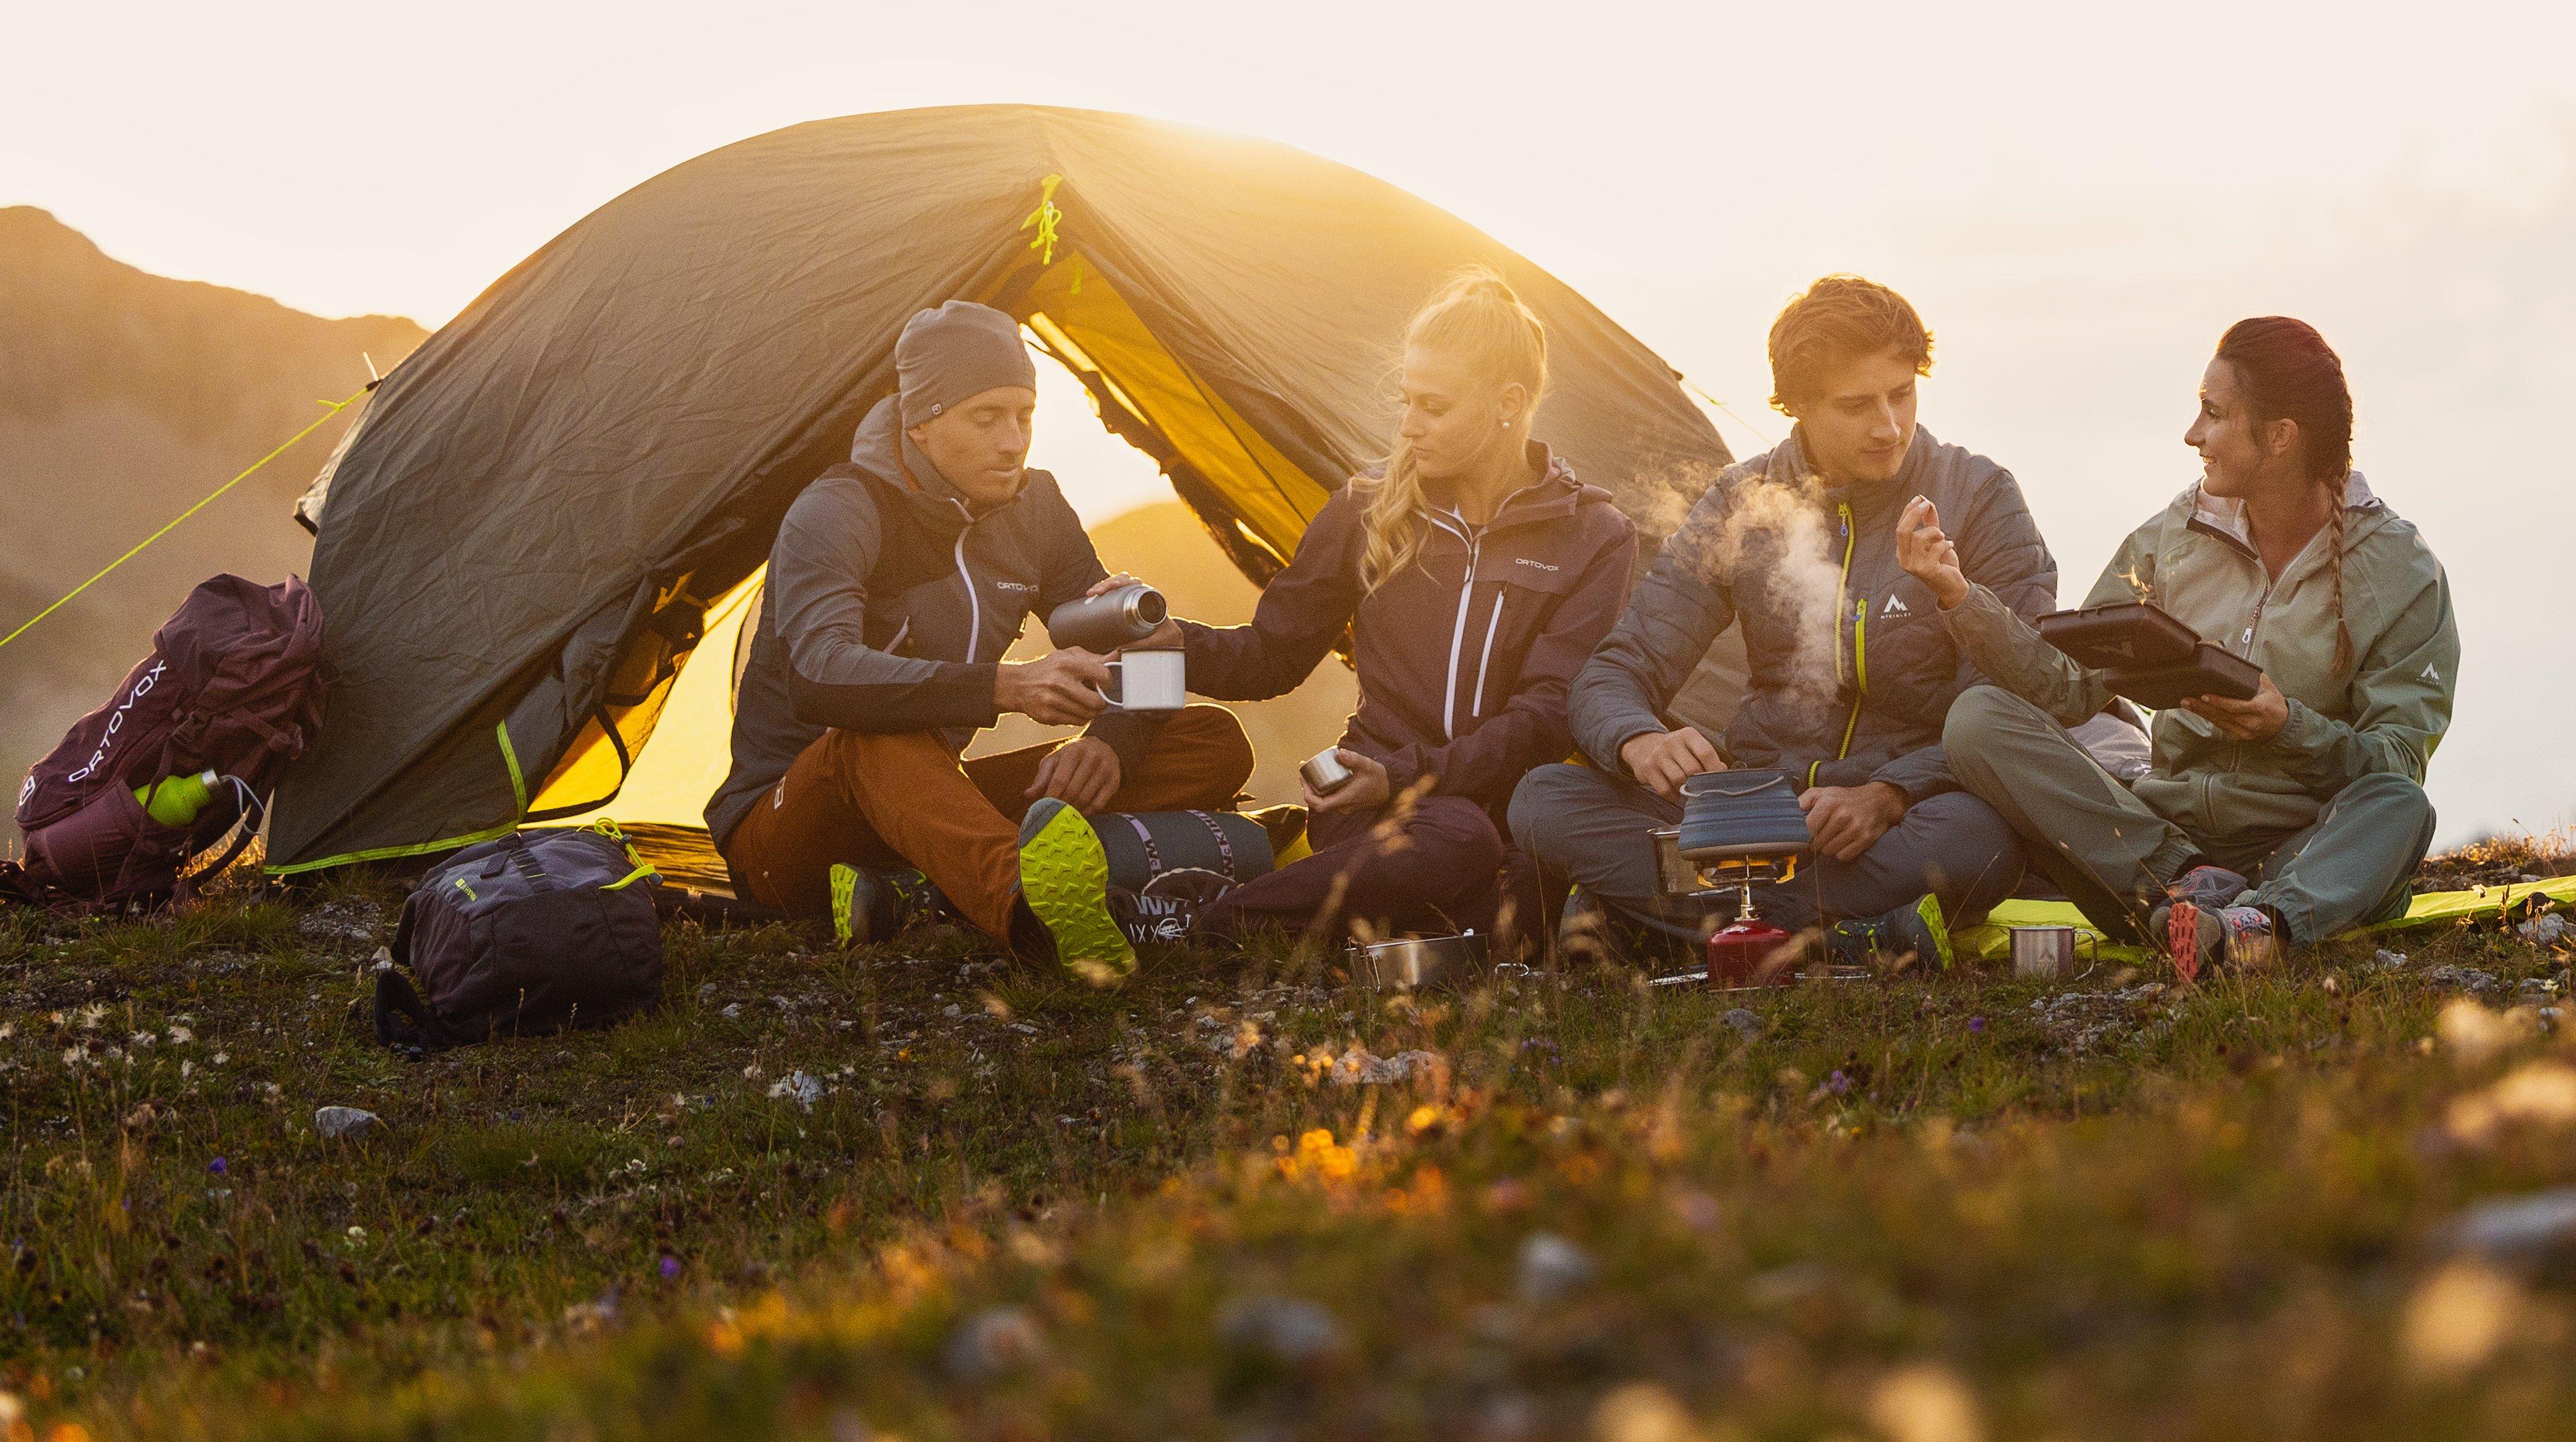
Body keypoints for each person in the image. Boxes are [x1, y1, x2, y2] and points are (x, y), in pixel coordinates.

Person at [711, 299, 1254, 980]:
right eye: (986, 416)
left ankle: (914, 892)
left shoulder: (1035, 509)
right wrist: (1008, 685)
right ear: (922, 421)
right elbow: (820, 677)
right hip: (789, 827)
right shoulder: (840, 510)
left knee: (1208, 738)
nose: (1012, 440)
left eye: (1024, 414)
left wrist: (1111, 742)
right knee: (878, 731)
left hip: (930, 803)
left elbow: (1147, 655)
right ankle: (1034, 908)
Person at [1510, 274, 2045, 961]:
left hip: (1900, 818)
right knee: (1542, 799)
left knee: (1979, 837)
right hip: (1754, 810)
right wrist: (1635, 738)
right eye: (1857, 404)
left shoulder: (1978, 496)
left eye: (1902, 392)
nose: (1889, 425)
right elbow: (1617, 669)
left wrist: (1888, 791)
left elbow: (2010, 699)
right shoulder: (1742, 500)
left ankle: (1672, 921)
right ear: (1794, 405)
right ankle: (1848, 937)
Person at [1915, 317, 2454, 981]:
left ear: (2279, 436)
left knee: (2400, 806)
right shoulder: (2173, 534)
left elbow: (2394, 762)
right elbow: (2066, 687)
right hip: (2157, 851)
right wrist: (1957, 595)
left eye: (2212, 413)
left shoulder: (2400, 569)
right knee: (1978, 718)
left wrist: (2289, 727)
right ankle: (2192, 897)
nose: (2191, 433)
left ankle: (2256, 925)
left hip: (2304, 847)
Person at [1178, 270, 1636, 951]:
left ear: (1508, 403)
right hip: (1372, 803)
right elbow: (1267, 658)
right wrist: (1161, 643)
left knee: (1510, 909)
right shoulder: (1365, 508)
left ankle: (1331, 922)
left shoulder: (1594, 534)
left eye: (1434, 405)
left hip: (1504, 813)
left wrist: (1411, 770)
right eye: (1406, 400)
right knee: (1457, 845)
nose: (1408, 425)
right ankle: (1211, 928)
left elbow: (1546, 716)